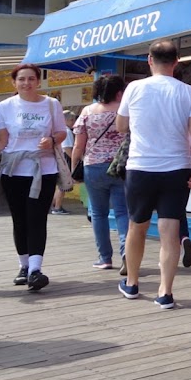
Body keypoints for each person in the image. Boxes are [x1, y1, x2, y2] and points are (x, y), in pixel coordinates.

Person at [116, 40, 191, 309]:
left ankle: (131, 282)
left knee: (136, 227)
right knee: (170, 230)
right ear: (176, 62)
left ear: (149, 60)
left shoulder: (134, 88)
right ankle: (165, 291)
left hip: (141, 166)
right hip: (177, 167)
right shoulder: (190, 93)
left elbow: (121, 126)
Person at [0, 63, 68, 291]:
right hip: (13, 171)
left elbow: (61, 131)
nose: (26, 83)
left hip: (44, 169)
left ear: (38, 81)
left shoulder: (51, 104)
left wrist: (53, 140)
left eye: (30, 79)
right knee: (20, 219)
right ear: (14, 82)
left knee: (37, 218)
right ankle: (24, 266)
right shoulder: (5, 106)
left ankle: (36, 270)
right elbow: (2, 140)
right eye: (21, 79)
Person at [71, 75, 129, 270]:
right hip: (120, 167)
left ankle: (105, 258)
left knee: (98, 213)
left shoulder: (87, 112)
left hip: (93, 166)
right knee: (122, 212)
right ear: (119, 92)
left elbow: (79, 145)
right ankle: (127, 253)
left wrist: (73, 168)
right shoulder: (125, 111)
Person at [50, 109, 78, 215]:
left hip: (61, 158)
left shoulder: (59, 131)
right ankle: (57, 207)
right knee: (64, 185)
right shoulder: (66, 131)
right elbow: (68, 149)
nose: (73, 123)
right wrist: (75, 160)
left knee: (61, 186)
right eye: (72, 120)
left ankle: (55, 205)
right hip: (66, 159)